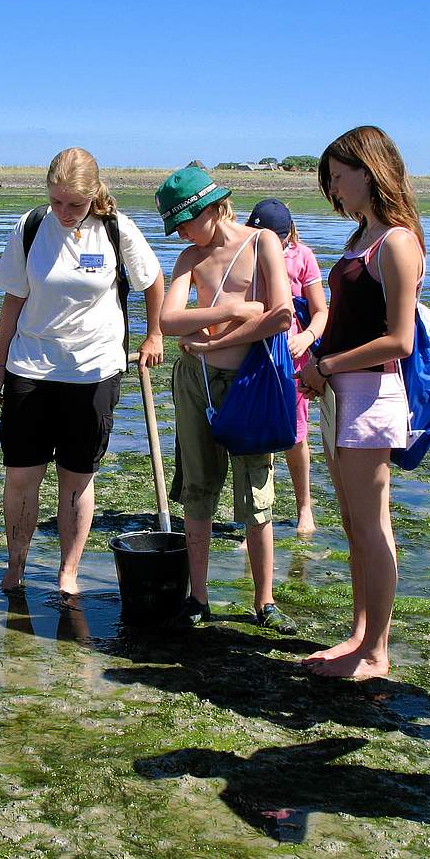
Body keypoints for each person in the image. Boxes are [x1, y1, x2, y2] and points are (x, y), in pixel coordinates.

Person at [0, 147, 164, 595]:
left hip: (94, 370)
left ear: (93, 195)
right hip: (31, 367)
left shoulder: (116, 229)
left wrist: (155, 334)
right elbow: (13, 300)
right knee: (21, 475)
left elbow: (152, 280)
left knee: (76, 476)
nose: (65, 212)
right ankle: (17, 564)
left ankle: (69, 571)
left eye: (75, 204)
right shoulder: (29, 228)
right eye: (58, 202)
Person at [297, 126, 425, 679]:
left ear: (368, 171)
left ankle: (376, 650)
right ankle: (359, 634)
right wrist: (318, 362)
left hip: (372, 393)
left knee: (373, 524)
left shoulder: (395, 241)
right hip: (343, 388)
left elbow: (401, 339)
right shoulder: (359, 238)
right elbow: (347, 322)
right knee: (353, 522)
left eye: (338, 176)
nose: (333, 188)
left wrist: (326, 364)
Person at [156, 168, 298, 634]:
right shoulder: (188, 258)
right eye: (175, 227)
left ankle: (265, 600)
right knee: (197, 487)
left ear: (213, 208)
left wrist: (212, 342)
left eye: (185, 222)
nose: (182, 233)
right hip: (195, 381)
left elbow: (279, 315)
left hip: (251, 382)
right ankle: (198, 596)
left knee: (256, 490)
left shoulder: (261, 244)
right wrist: (232, 311)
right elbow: (169, 318)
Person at [246, 199, 327, 535]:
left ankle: (304, 508)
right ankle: (257, 518)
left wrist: (307, 338)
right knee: (257, 437)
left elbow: (321, 311)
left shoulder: (302, 257)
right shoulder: (244, 253)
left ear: (287, 235)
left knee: (295, 436)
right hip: (253, 353)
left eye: (273, 238)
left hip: (291, 357)